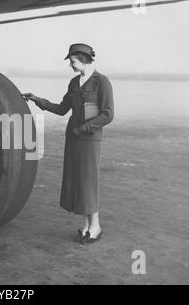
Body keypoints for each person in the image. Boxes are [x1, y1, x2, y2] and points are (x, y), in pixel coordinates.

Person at [23, 43, 114, 244]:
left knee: (88, 181)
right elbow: (63, 108)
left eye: (72, 62)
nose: (71, 66)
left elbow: (108, 114)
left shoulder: (102, 82)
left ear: (83, 59)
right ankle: (86, 226)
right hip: (73, 139)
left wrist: (83, 129)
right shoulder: (74, 83)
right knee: (79, 182)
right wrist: (38, 100)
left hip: (89, 140)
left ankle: (95, 226)